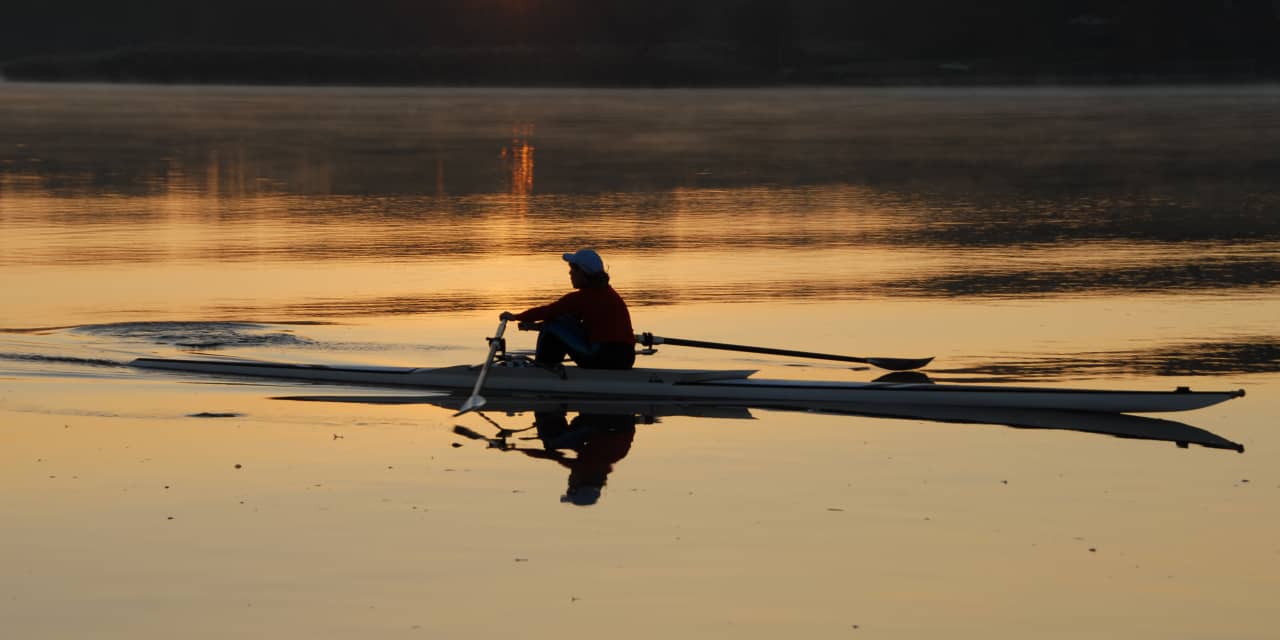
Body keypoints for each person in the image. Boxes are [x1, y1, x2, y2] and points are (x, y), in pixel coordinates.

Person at [500, 248, 635, 370]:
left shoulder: (582, 297)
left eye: (573, 269)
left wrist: (516, 317)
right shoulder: (608, 293)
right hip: (626, 358)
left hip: (601, 357)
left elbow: (548, 311)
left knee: (551, 325)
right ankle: (550, 366)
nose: (570, 273)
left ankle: (542, 369)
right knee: (561, 320)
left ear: (583, 274)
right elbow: (569, 318)